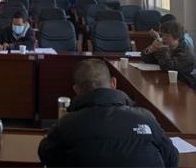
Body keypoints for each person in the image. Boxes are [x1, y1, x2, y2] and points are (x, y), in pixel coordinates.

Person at [38, 58, 178, 167]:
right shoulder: (145, 118)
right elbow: (172, 159)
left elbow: (47, 156)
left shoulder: (66, 125)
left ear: (77, 90)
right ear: (113, 83)